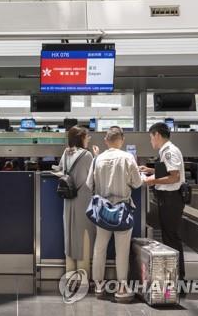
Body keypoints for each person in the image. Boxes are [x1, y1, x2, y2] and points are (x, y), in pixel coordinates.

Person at [86, 126, 142, 302]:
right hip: (122, 211)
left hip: (102, 211)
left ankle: (99, 286)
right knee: (122, 250)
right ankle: (121, 287)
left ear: (105, 141)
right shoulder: (128, 158)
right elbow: (137, 183)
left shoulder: (98, 159)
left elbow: (89, 185)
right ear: (122, 140)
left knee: (99, 248)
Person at [141, 122, 186, 280]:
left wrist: (152, 181)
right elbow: (169, 170)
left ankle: (178, 278)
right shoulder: (167, 150)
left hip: (171, 199)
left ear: (157, 135)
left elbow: (175, 176)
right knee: (169, 236)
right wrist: (151, 171)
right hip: (168, 199)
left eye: (151, 137)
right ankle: (174, 277)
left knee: (171, 237)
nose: (150, 141)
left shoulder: (169, 152)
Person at [55, 126, 97, 274]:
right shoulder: (87, 155)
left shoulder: (66, 152)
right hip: (83, 200)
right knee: (84, 236)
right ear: (81, 138)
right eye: (87, 137)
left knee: (70, 235)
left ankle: (70, 273)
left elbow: (60, 170)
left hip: (68, 200)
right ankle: (83, 275)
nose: (88, 139)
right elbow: (93, 177)